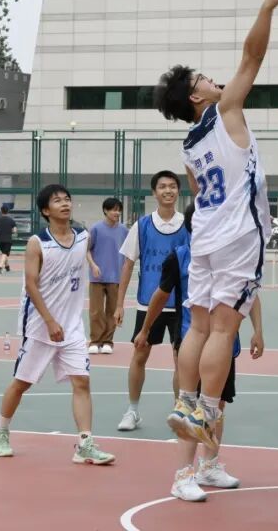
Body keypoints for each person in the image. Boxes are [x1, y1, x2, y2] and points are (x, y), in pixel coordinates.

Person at [152, 0, 278, 446]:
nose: (214, 79)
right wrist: (268, 6)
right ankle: (206, 412)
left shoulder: (189, 144)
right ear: (197, 96)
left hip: (205, 236)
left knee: (198, 326)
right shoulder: (226, 108)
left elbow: (196, 191)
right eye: (204, 79)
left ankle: (184, 401)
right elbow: (253, 56)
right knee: (224, 329)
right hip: (238, 234)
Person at [135, 203, 265, 501]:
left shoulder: (232, 256)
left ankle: (209, 465)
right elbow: (160, 295)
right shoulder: (181, 256)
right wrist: (145, 329)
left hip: (224, 343)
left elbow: (249, 294)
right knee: (190, 407)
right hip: (192, 338)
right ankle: (183, 475)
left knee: (217, 405)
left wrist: (258, 329)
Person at [0, 184, 114, 465]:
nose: (65, 203)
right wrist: (49, 321)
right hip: (40, 325)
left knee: (82, 382)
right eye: (57, 201)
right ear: (46, 210)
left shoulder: (83, 236)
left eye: (67, 199)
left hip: (71, 326)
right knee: (22, 383)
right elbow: (31, 285)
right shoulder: (37, 243)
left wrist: (93, 265)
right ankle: (1, 432)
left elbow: (84, 252)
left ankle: (84, 444)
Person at [114, 170, 189, 431]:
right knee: (139, 355)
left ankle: (181, 411)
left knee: (181, 359)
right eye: (163, 186)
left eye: (172, 186)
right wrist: (119, 304)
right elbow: (127, 265)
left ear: (178, 191)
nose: (168, 191)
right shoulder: (142, 225)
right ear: (154, 193)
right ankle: (132, 410)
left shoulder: (187, 225)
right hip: (148, 303)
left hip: (180, 304)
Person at [87, 197, 126, 354]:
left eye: (119, 210)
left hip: (116, 277)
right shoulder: (95, 228)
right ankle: (95, 341)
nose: (117, 213)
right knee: (96, 311)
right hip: (97, 277)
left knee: (112, 311)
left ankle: (108, 342)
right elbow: (86, 250)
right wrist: (93, 265)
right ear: (105, 210)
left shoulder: (124, 230)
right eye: (114, 210)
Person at [0, 204, 17, 274]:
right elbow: (15, 230)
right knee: (5, 253)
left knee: (4, 253)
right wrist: (10, 230)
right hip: (8, 240)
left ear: (1, 211)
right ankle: (0, 267)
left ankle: (7, 267)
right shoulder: (11, 220)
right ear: (8, 211)